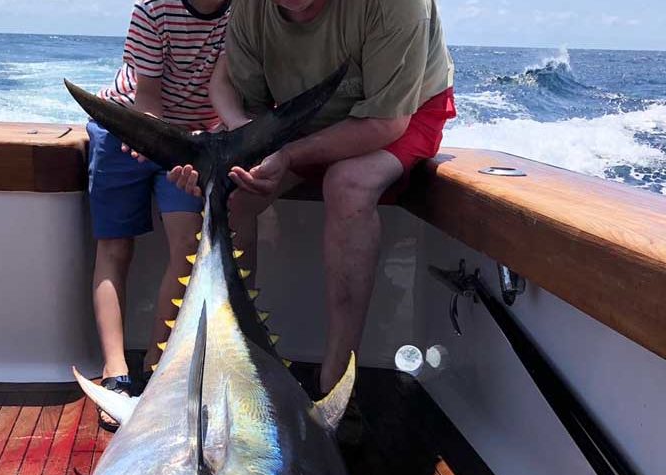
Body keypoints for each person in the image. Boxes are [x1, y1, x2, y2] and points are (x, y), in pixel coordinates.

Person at [169, 0, 456, 443]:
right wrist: (246, 137)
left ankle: (338, 384)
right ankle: (231, 369)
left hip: (403, 112)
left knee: (348, 185)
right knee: (233, 197)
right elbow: (230, 86)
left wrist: (286, 154)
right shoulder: (251, 7)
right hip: (304, 112)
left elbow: (386, 122)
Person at [87, 0, 233, 430]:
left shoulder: (244, 13)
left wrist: (216, 139)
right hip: (127, 130)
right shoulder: (154, 9)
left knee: (189, 247)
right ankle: (115, 374)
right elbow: (146, 95)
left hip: (191, 146)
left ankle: (156, 366)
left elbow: (225, 86)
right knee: (114, 246)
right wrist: (154, 139)